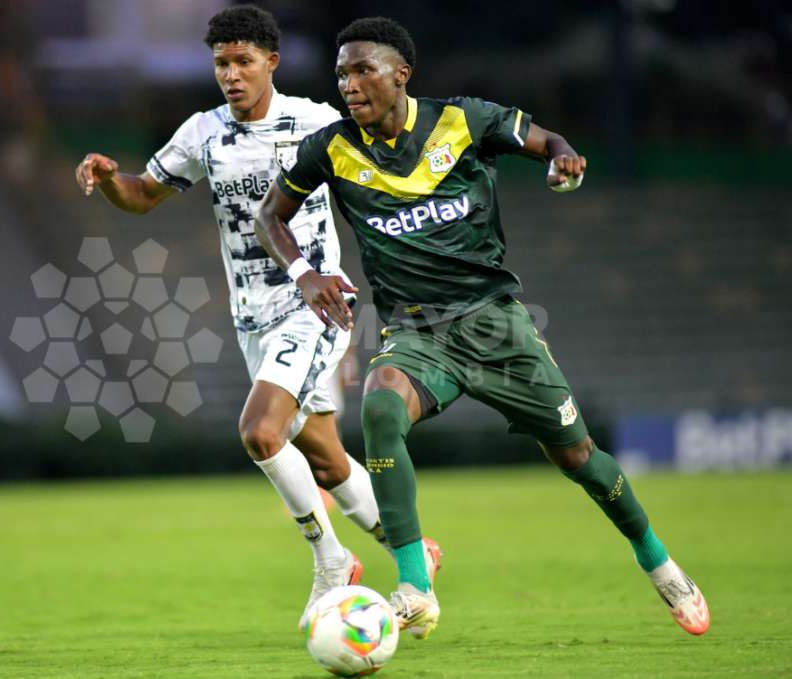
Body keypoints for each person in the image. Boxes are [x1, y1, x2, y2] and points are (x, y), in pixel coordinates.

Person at [254, 16, 709, 639]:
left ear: (401, 74)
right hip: (417, 333)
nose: (349, 85)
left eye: (362, 71)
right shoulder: (330, 148)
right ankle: (414, 586)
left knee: (578, 456)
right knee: (381, 407)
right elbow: (270, 217)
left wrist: (563, 159)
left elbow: (549, 142)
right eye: (341, 74)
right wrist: (305, 275)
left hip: (495, 325)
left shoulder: (463, 120)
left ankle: (657, 561)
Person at [74, 6, 440, 629]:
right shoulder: (203, 132)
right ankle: (413, 552)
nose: (231, 74)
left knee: (260, 433)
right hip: (252, 318)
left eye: (243, 61)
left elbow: (383, 170)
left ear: (271, 62)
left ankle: (330, 558)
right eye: (221, 63)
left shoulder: (316, 122)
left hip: (316, 305)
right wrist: (110, 177)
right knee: (325, 460)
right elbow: (141, 195)